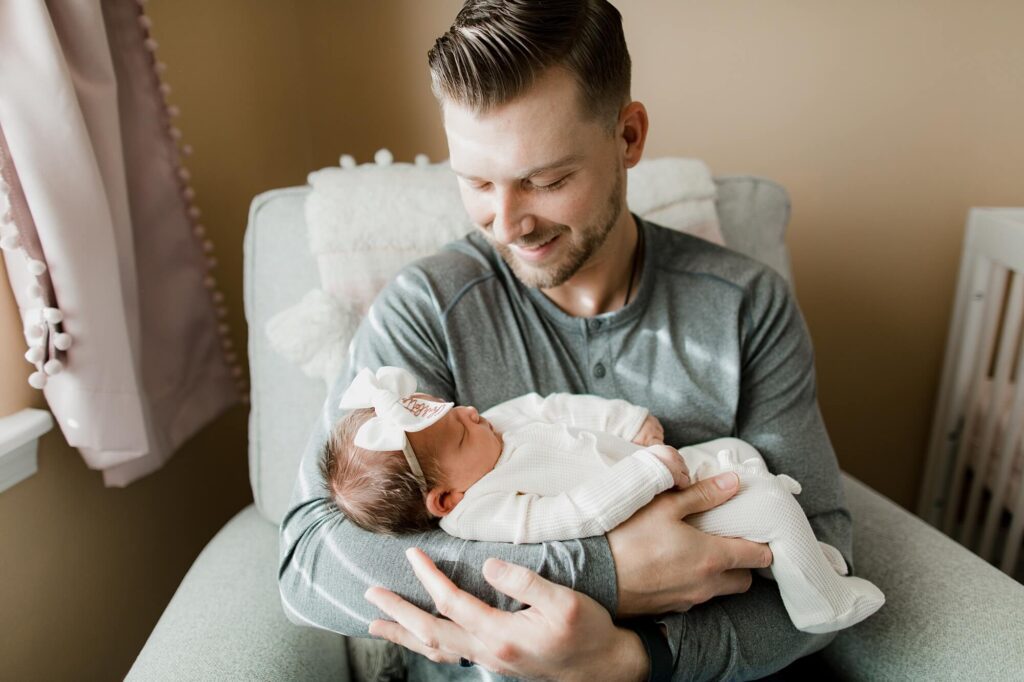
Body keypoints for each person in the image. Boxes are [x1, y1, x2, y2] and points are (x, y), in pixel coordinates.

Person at [279, 0, 855, 679]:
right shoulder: (428, 306)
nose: (509, 223)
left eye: (547, 181)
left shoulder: (743, 308)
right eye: (478, 182)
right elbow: (312, 560)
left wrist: (642, 658)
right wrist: (609, 573)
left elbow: (822, 549)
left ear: (629, 137)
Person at [324, 366, 882, 636]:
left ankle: (792, 563)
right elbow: (577, 514)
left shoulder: (494, 422)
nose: (472, 414)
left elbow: (560, 406)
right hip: (658, 512)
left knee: (739, 450)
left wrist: (630, 422)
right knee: (768, 504)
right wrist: (645, 471)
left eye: (455, 408)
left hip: (664, 470)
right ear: (446, 498)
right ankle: (821, 604)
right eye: (461, 433)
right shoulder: (482, 509)